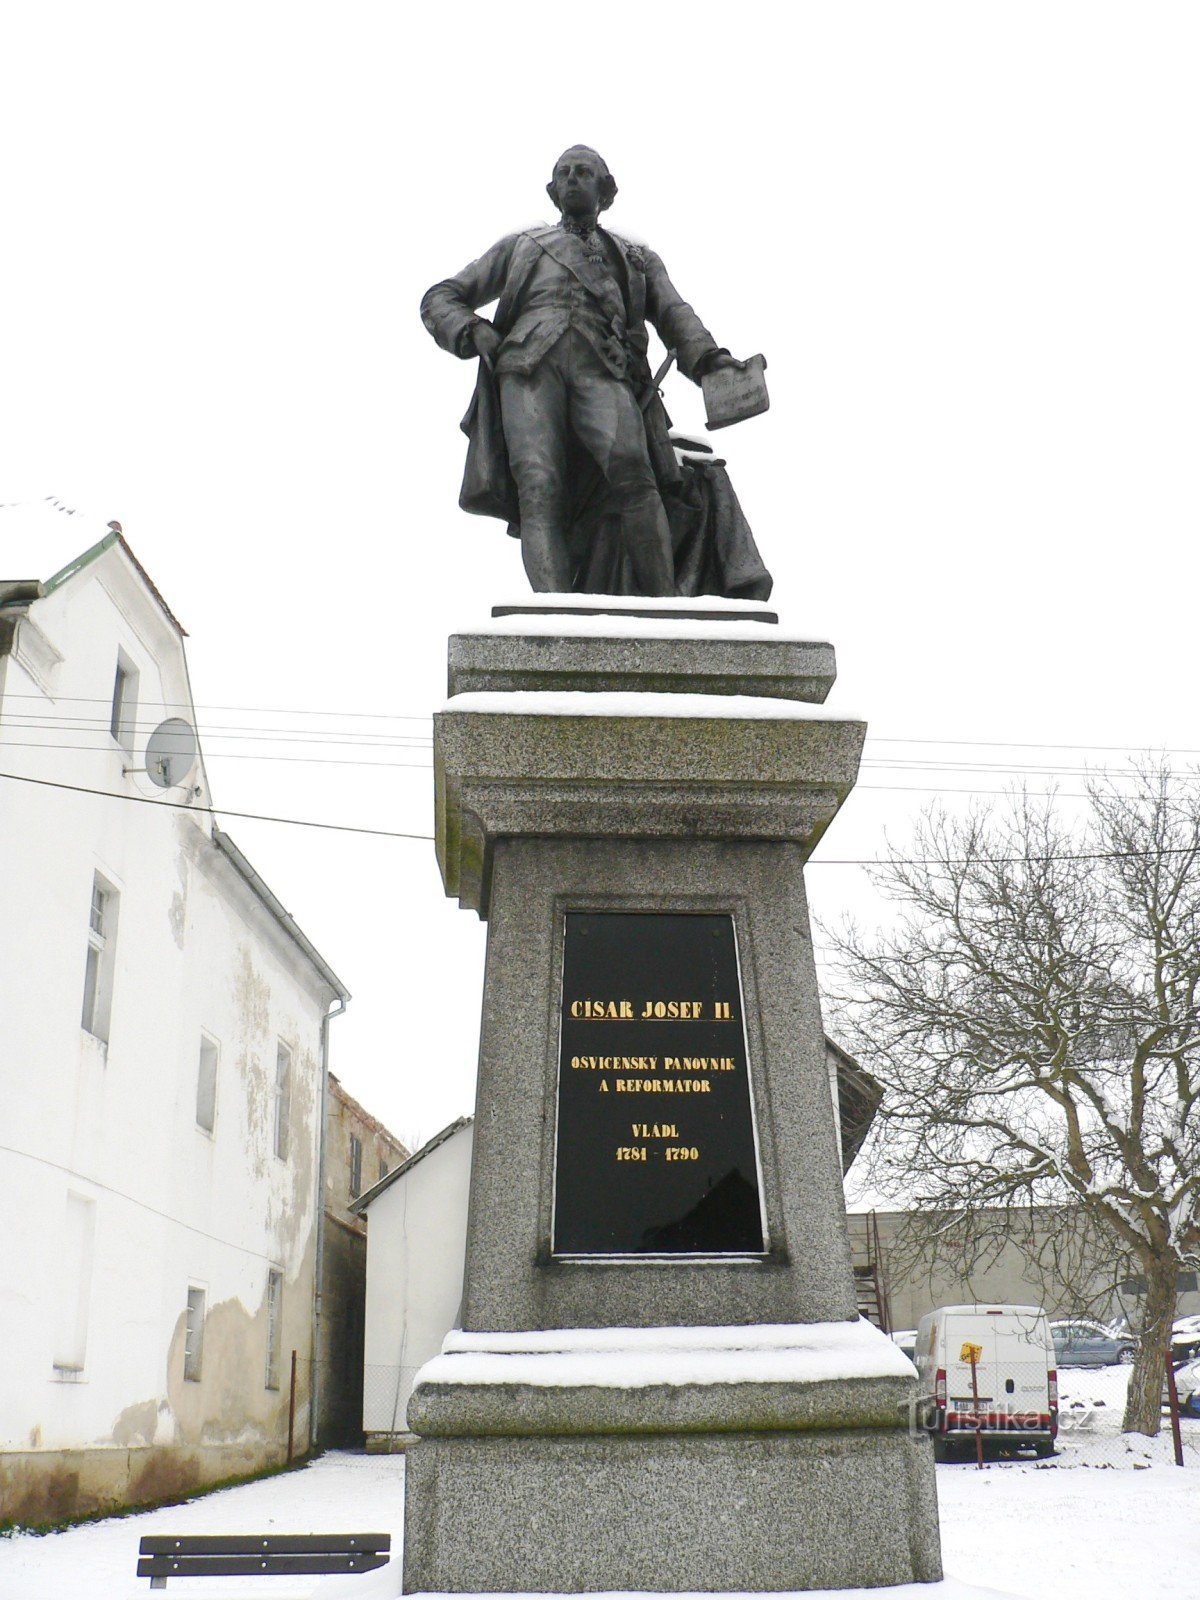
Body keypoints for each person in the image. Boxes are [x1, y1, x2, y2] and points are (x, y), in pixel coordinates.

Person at [421, 146, 767, 596]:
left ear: (606, 189)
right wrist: (473, 331)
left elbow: (674, 314)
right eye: (563, 173)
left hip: (603, 370)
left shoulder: (635, 255)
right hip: (527, 369)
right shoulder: (523, 245)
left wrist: (709, 360)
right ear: (552, 190)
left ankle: (665, 608)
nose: (571, 179)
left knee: (635, 476)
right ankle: (554, 611)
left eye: (583, 172)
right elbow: (441, 296)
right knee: (539, 485)